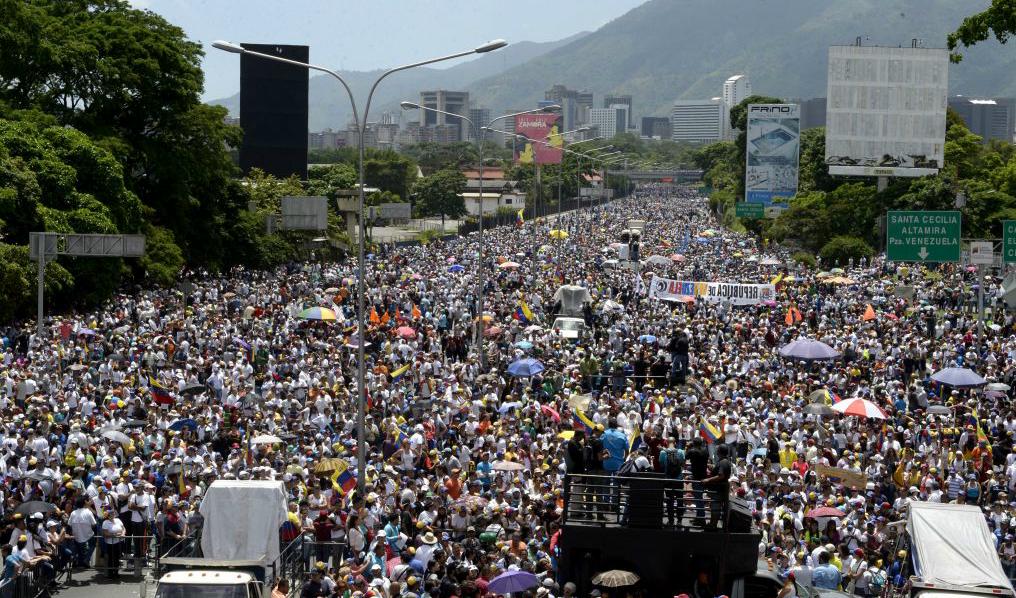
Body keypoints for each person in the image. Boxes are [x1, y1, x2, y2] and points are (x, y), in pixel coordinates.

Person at [101, 509, 126, 578]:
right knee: (111, 558)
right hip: (110, 543)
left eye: (113, 514)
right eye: (111, 514)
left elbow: (123, 528)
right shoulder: (105, 522)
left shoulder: (118, 520)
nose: (113, 515)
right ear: (108, 516)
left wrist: (123, 534)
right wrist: (115, 535)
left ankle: (116, 572)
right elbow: (105, 533)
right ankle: (110, 573)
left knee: (117, 557)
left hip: (119, 542)